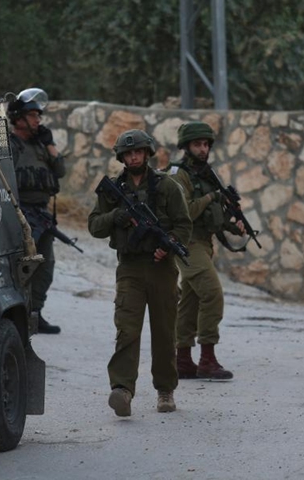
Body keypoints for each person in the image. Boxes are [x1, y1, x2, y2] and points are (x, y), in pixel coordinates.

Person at [87, 129, 191, 416]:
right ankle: (122, 389)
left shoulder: (167, 186)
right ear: (122, 157)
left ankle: (165, 390)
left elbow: (183, 225)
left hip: (162, 269)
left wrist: (168, 248)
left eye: (138, 152)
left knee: (164, 332)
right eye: (128, 153)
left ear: (147, 153)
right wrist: (116, 216)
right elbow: (94, 226)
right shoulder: (113, 188)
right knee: (127, 329)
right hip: (130, 268)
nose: (133, 156)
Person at [166, 121, 245, 380]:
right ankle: (207, 359)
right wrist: (214, 198)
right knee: (212, 294)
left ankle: (183, 360)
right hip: (186, 242)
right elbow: (185, 211)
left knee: (190, 302)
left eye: (206, 144)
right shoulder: (179, 174)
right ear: (187, 146)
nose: (203, 149)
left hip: (203, 242)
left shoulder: (206, 173)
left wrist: (234, 227)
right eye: (197, 144)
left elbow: (212, 216)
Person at [7, 88, 65, 334]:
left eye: (38, 116)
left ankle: (35, 313)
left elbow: (60, 170)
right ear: (19, 118)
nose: (37, 120)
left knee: (45, 266)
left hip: (43, 214)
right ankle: (16, 313)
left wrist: (50, 143)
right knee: (22, 266)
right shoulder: (11, 145)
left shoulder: (42, 144)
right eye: (32, 115)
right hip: (20, 213)